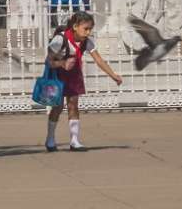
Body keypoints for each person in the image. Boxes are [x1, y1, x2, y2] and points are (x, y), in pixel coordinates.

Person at [43, 11, 122, 152]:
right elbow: (48, 61)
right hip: (57, 75)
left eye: (90, 29)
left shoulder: (87, 42)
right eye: (85, 28)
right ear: (75, 26)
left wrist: (113, 75)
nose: (88, 32)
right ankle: (50, 139)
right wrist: (62, 63)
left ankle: (74, 141)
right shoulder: (60, 39)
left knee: (73, 106)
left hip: (74, 75)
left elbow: (99, 60)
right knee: (58, 107)